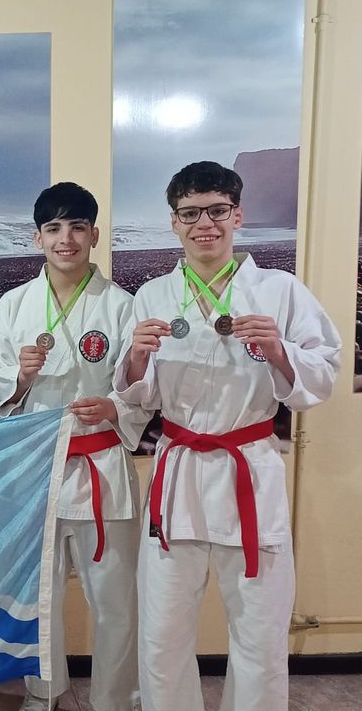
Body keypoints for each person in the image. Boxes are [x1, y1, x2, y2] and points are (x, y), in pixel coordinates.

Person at [113, 161, 341, 711]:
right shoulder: (152, 297)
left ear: (237, 215)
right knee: (163, 633)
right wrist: (137, 357)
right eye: (190, 213)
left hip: (250, 469)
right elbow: (136, 397)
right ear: (174, 223)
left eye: (216, 210)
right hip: (179, 473)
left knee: (260, 635)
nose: (204, 224)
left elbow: (323, 375)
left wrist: (280, 349)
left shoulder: (280, 291)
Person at [0, 182, 146, 711]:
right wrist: (18, 378)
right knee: (41, 594)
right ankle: (43, 694)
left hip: (103, 462)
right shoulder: (11, 307)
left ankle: (114, 699)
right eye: (54, 228)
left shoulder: (122, 306)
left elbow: (139, 388)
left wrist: (116, 409)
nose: (66, 238)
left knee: (116, 598)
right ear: (37, 237)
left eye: (77, 226)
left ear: (95, 234)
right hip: (37, 464)